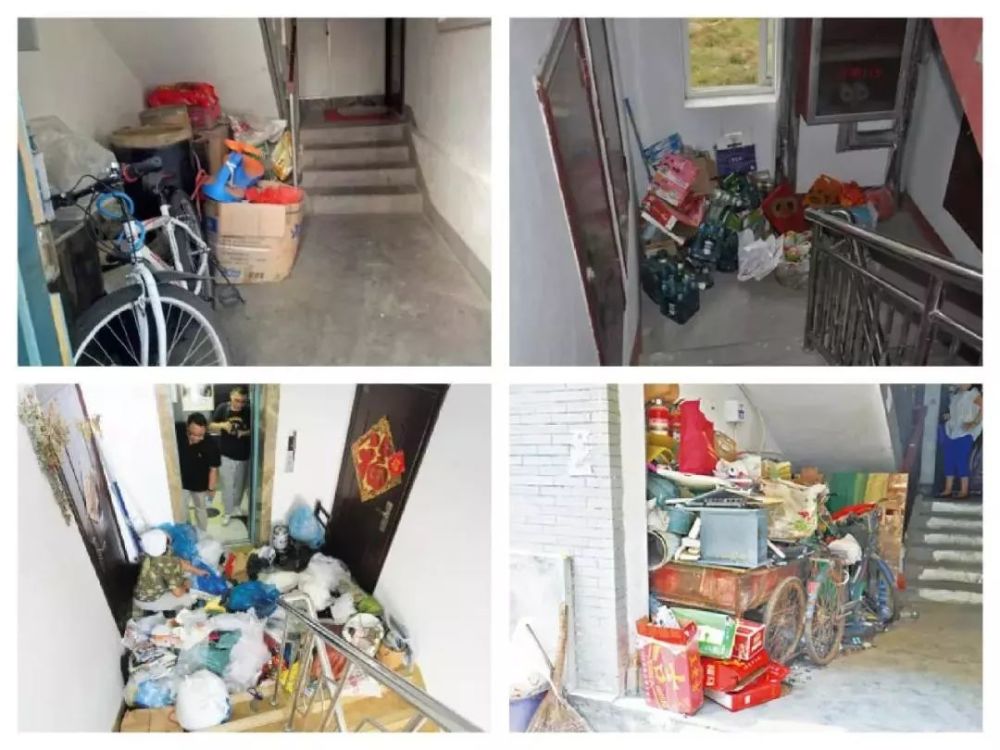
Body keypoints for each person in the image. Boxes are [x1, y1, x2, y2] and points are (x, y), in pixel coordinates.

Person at [133, 529, 207, 612]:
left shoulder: (149, 553)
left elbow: (179, 562)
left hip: (140, 593)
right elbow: (178, 593)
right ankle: (171, 613)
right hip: (147, 601)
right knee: (189, 598)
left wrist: (198, 571)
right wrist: (186, 585)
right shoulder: (166, 564)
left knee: (181, 577)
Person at [210, 386, 252, 526]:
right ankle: (227, 512)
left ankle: (237, 506)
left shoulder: (248, 410)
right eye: (237, 400)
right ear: (231, 397)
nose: (240, 404)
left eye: (243, 401)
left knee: (240, 486)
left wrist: (243, 433)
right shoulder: (223, 408)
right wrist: (223, 425)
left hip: (244, 455)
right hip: (226, 455)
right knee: (227, 486)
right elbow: (211, 426)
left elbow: (256, 429)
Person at [176, 413, 220, 531]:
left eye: (201, 435)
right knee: (182, 510)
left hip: (200, 484)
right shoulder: (177, 430)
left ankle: (202, 532)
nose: (197, 438)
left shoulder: (210, 444)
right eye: (193, 434)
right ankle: (186, 531)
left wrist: (211, 489)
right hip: (180, 482)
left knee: (201, 509)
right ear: (187, 428)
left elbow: (213, 469)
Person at [938, 384, 983, 499]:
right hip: (951, 431)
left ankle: (964, 490)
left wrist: (974, 422)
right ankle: (948, 489)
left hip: (965, 433)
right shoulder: (956, 395)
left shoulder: (973, 394)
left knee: (961, 459)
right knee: (949, 459)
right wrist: (948, 417)